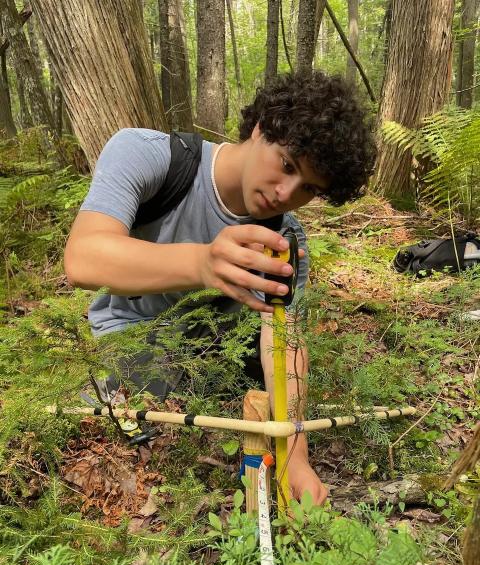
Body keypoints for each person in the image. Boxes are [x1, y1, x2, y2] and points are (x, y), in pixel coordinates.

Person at [64, 70, 376, 505]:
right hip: (133, 333)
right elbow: (83, 258)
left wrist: (295, 454)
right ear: (260, 127)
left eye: (308, 188)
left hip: (216, 354)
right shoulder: (149, 156)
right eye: (286, 164)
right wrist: (203, 263)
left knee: (233, 402)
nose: (285, 192)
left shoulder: (284, 241)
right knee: (148, 420)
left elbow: (284, 340)